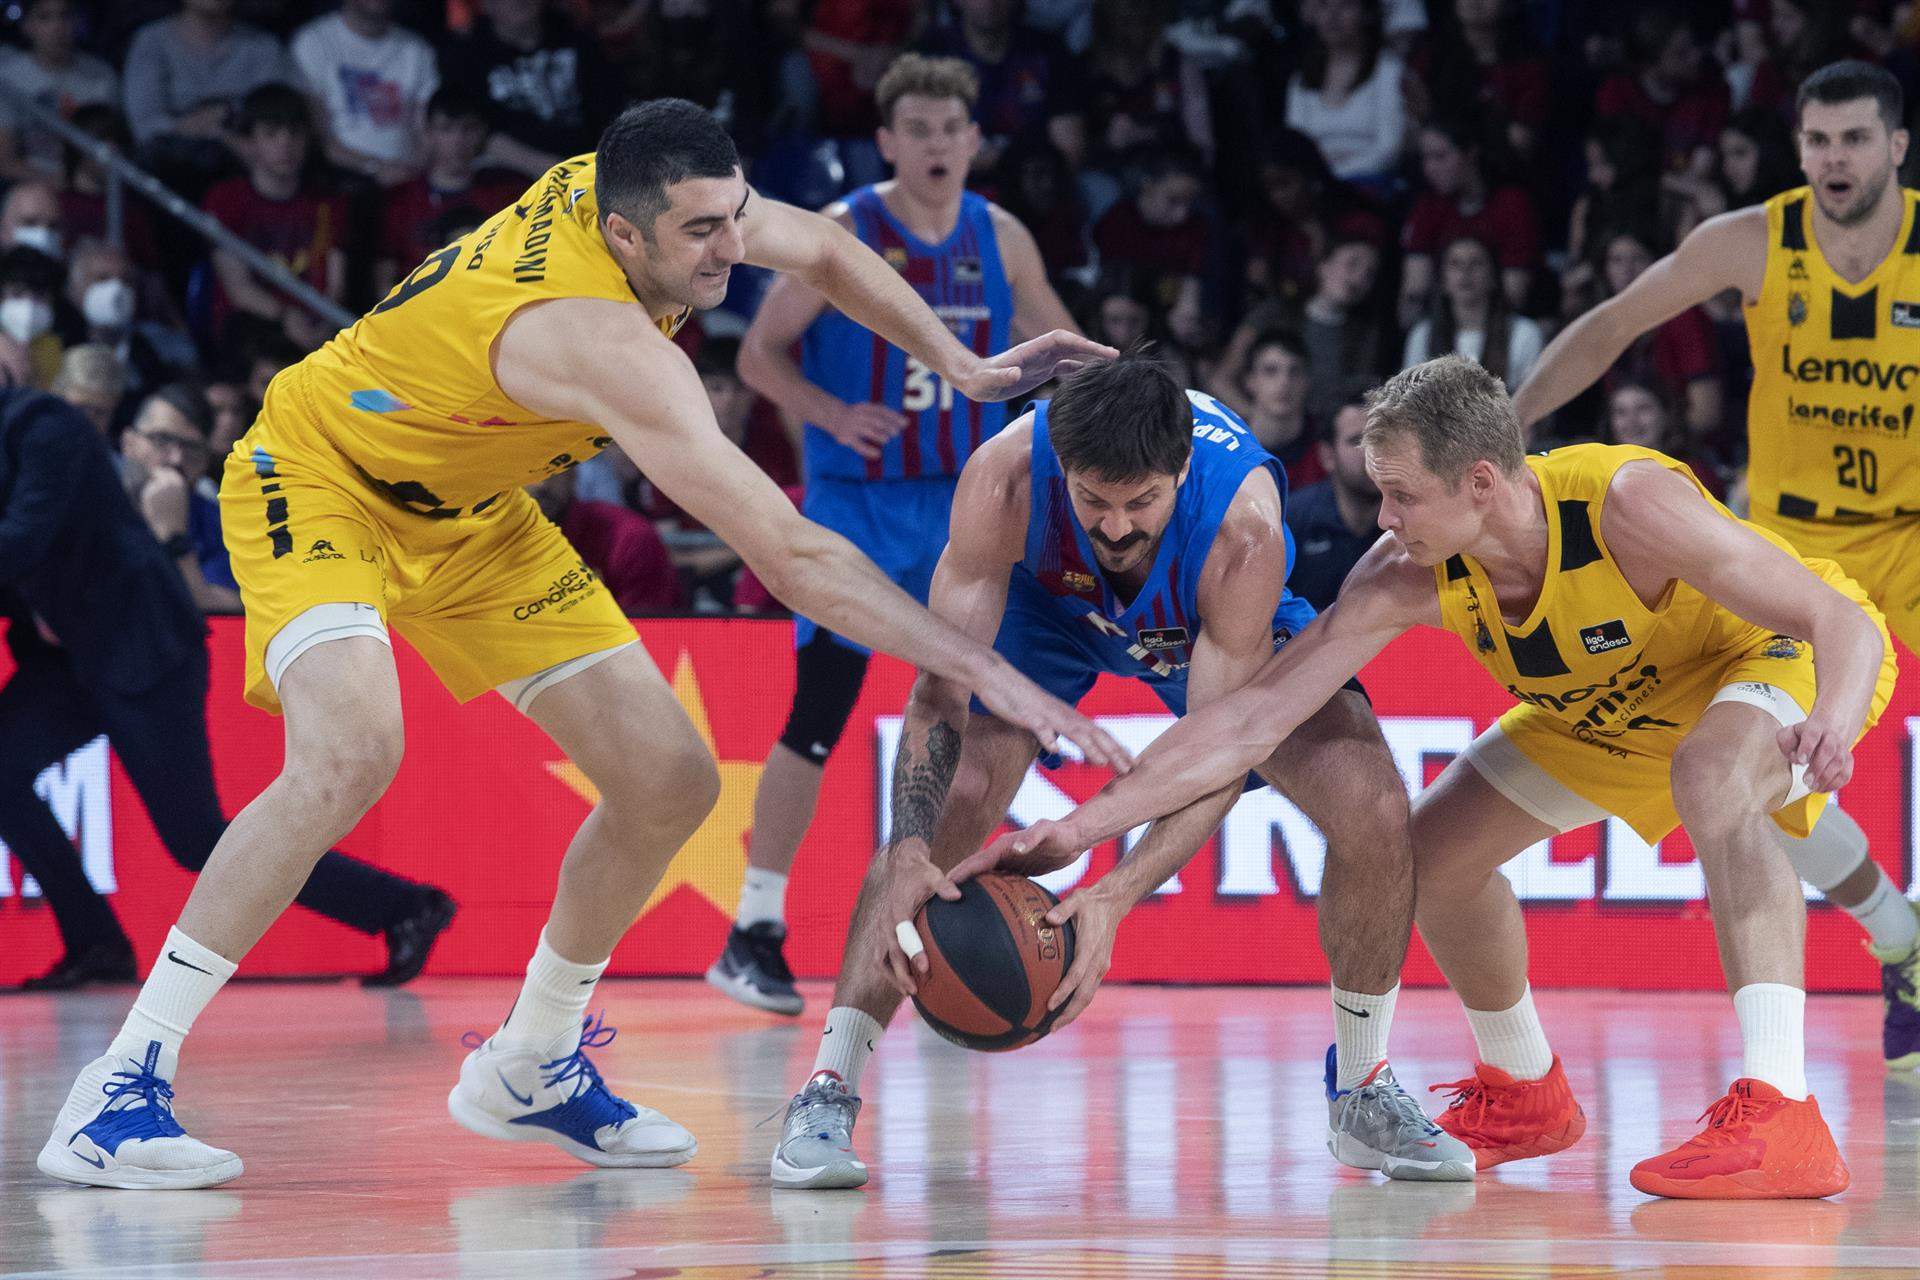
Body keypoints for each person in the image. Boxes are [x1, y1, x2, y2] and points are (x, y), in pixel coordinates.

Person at [38, 95, 1120, 1191]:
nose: (734, 250)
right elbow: (791, 553)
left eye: (733, 216)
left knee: (670, 776)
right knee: (353, 749)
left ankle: (533, 1059)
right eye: (704, 233)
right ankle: (122, 1083)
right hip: (323, 476)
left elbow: (830, 248)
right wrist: (983, 668)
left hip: (474, 506)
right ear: (624, 237)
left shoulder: (646, 190)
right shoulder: (599, 339)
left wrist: (967, 367)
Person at [995, 354, 1897, 1199]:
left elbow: (1835, 618)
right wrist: (1081, 831)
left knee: (1712, 775)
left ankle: (1785, 1110)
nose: (1383, 518)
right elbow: (1247, 721)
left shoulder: (1627, 504)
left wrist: (1832, 719)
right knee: (1426, 855)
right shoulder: (1402, 574)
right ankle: (1526, 1089)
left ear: (1480, 483)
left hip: (1771, 659)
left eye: (1401, 495)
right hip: (1611, 711)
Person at [770, 355, 1469, 1190]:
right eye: (1093, 500)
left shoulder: (1241, 530)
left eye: (1141, 503)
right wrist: (910, 849)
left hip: (1201, 615)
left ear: (1179, 470)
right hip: (1047, 606)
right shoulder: (1004, 482)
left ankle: (1361, 1089)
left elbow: (1215, 753)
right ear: (1060, 466)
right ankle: (827, 1088)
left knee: (1374, 803)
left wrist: (1116, 892)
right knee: (951, 800)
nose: (1114, 526)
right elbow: (938, 694)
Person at [1511, 60, 1920, 1071]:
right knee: (1766, 789)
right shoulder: (1752, 239)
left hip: (1912, 528)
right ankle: (1904, 937)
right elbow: (1614, 325)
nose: (1834, 158)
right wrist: (1505, 426)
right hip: (1790, 538)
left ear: (1898, 148)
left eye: (1856, 139)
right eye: (1818, 139)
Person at [720, 57, 1084, 1015]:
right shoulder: (845, 231)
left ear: (973, 140)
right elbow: (757, 356)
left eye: (948, 128)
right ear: (886, 142)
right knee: (823, 706)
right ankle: (753, 925)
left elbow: (1069, 354)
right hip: (863, 506)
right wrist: (832, 416)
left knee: (981, 712)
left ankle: (937, 909)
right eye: (915, 128)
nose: (933, 144)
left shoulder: (999, 237)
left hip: (967, 507)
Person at [0, 388, 458, 993]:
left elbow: (25, 536)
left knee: (194, 837)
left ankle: (403, 907)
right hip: (73, 655)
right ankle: (96, 943)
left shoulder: (44, 424)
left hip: (144, 644)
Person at [200, 85, 349, 352]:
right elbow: (239, 288)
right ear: (249, 142)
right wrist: (285, 316)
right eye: (271, 134)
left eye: (295, 133)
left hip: (319, 327)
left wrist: (325, 325)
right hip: (252, 331)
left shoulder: (328, 202)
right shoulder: (225, 199)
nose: (285, 145)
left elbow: (335, 283)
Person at [290, 0, 440, 185]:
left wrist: (415, 167)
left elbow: (425, 127)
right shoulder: (313, 40)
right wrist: (374, 167)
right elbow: (320, 136)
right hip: (340, 176)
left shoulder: (416, 48)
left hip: (409, 176)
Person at [0, 0, 119, 184]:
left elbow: (112, 152)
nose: (57, 27)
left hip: (96, 191)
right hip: (31, 192)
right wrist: (66, 181)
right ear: (27, 25)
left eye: (65, 16)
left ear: (78, 20)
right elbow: (5, 162)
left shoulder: (102, 76)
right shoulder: (8, 79)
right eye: (45, 17)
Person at [1285, 385, 1381, 610]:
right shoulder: (1292, 519)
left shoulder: (1415, 525)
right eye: (1356, 441)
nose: (1372, 451)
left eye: (1380, 438)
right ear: (1327, 455)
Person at [1403, 235, 1545, 388]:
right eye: (1455, 264)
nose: (1465, 271)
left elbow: (1536, 402)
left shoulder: (1524, 333)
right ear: (1443, 280)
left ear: (1493, 276)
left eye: (1476, 263)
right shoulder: (1423, 334)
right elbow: (1408, 402)